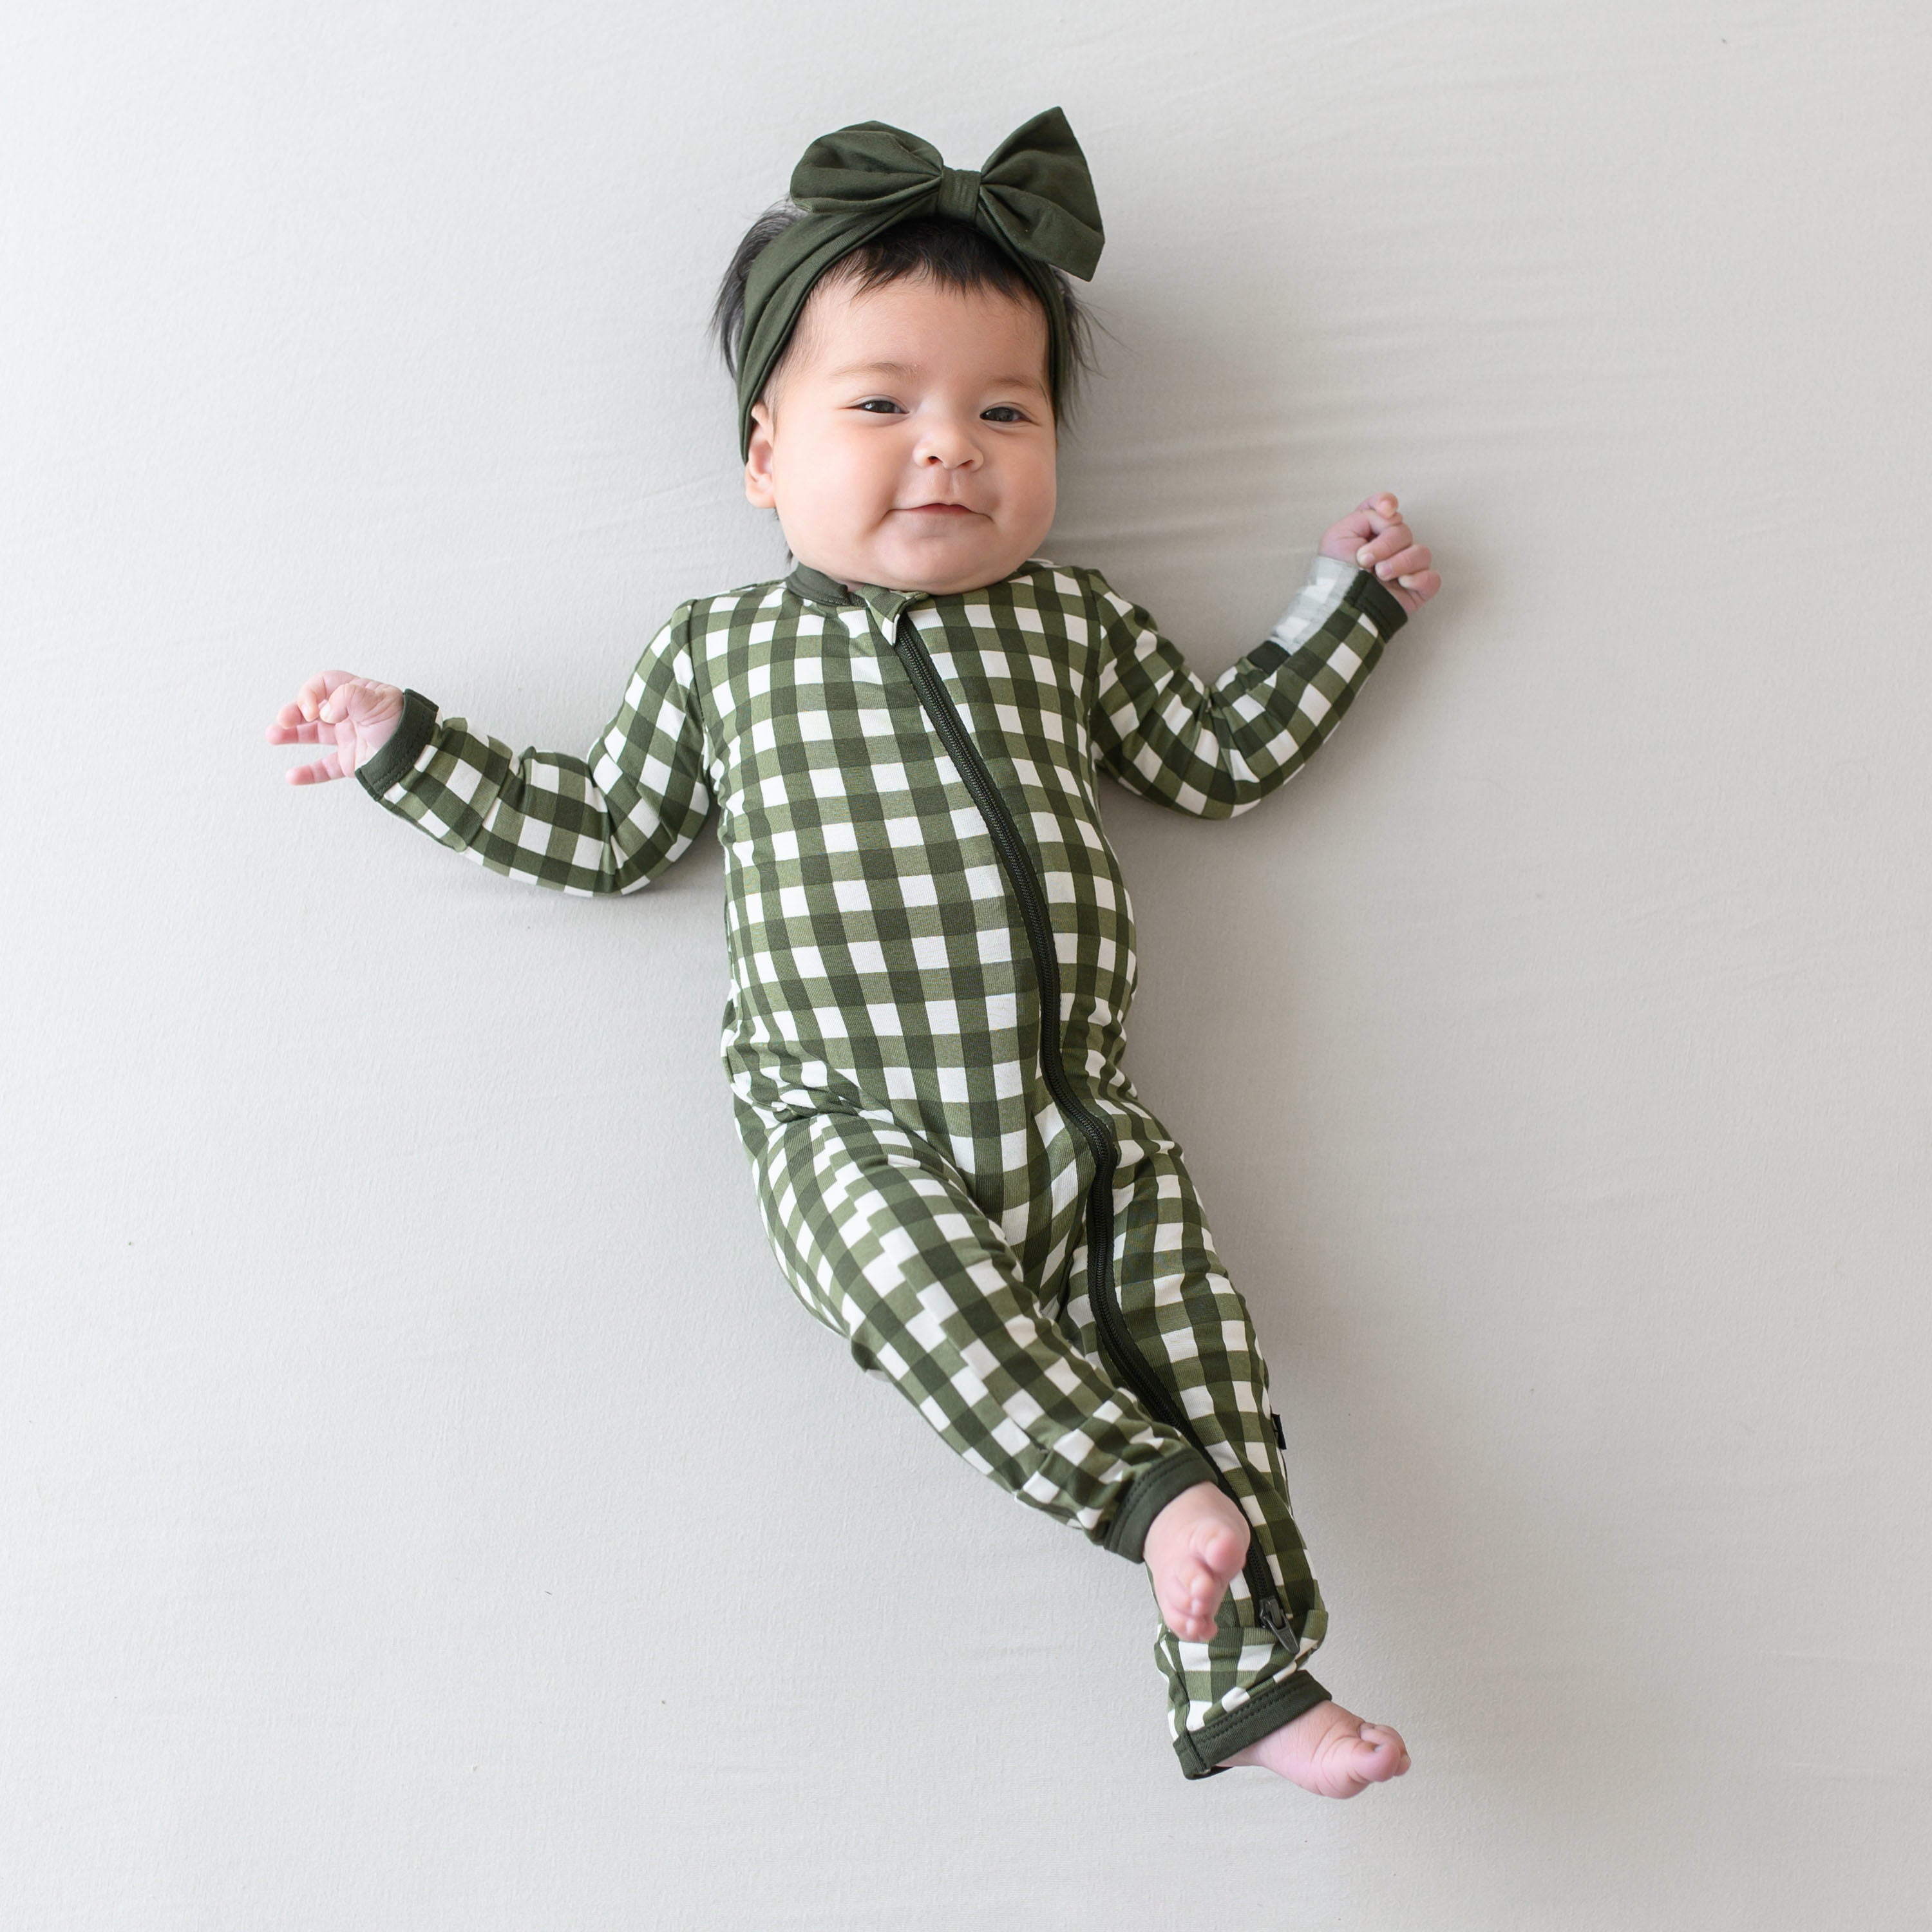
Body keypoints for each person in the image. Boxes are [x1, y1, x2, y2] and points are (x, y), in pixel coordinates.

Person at [265, 108, 1437, 1791]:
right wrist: (408, 748)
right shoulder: (727, 651)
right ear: (765, 458)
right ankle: (1146, 1495)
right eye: (881, 404)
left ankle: (1246, 1674)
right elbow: (606, 831)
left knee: (1214, 1353)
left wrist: (1349, 611)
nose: (947, 447)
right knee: (933, 1306)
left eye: (1004, 411)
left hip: (1077, 1122)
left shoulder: (1073, 623)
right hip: (842, 1118)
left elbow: (1220, 760)